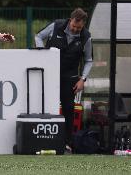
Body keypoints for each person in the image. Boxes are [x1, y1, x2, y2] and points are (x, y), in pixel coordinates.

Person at [34, 8, 93, 152]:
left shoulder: (86, 36)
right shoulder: (56, 25)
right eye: (74, 26)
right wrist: (42, 54)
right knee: (45, 105)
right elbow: (39, 36)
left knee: (68, 109)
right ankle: (42, 139)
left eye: (79, 28)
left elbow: (89, 60)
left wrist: (82, 80)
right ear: (70, 20)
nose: (75, 29)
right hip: (49, 74)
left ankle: (67, 142)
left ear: (83, 25)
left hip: (70, 77)